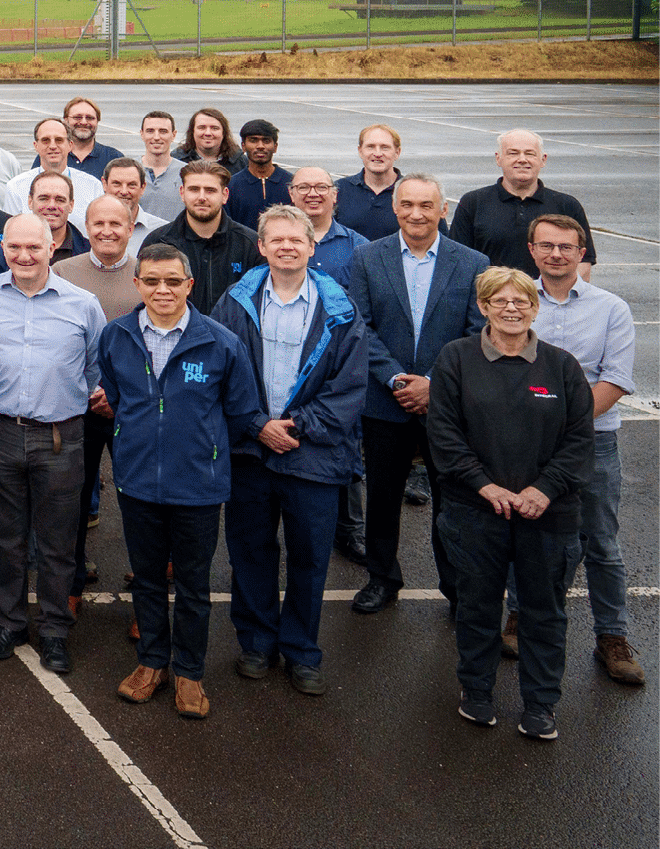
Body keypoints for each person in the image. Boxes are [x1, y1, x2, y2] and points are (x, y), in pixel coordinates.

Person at [98, 242, 262, 719]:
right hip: (137, 483)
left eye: (173, 281)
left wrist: (200, 449)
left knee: (192, 585)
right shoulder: (116, 337)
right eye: (152, 281)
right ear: (137, 284)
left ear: (189, 285)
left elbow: (240, 412)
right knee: (147, 579)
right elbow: (115, 396)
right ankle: (152, 662)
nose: (162, 290)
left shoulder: (220, 343)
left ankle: (189, 671)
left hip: (197, 487)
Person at [428, 267, 594, 740]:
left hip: (547, 514)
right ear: (483, 307)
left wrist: (544, 489)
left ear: (535, 308)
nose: (511, 309)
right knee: (477, 607)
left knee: (544, 613)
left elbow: (579, 440)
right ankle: (477, 692)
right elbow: (444, 435)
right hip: (475, 510)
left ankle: (540, 704)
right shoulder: (457, 358)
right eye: (499, 301)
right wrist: (486, 487)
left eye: (521, 301)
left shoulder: (561, 366)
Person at [212, 209, 367, 697]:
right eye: (276, 239)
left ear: (311, 247)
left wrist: (296, 426)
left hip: (312, 454)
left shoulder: (340, 308)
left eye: (295, 239)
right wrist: (257, 426)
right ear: (261, 247)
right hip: (249, 452)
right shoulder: (234, 302)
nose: (286, 246)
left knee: (309, 558)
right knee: (250, 552)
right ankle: (256, 643)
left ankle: (302, 650)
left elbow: (349, 386)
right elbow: (218, 371)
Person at [0, 214, 107, 674]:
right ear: (3, 249)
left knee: (58, 541)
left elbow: (93, 366)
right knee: (4, 537)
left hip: (61, 436)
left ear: (51, 248)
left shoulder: (83, 304)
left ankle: (54, 631)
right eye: (14, 248)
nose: (24, 256)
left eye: (33, 247)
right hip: (0, 432)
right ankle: (9, 622)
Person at [345, 174, 484, 615]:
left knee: (452, 500)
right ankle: (382, 578)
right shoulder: (367, 257)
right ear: (395, 208)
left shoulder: (473, 262)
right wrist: (396, 379)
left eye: (426, 205)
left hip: (447, 405)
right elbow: (359, 326)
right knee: (383, 498)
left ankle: (456, 587)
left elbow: (477, 332)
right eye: (407, 204)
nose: (416, 213)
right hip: (385, 401)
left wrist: (433, 383)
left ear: (443, 210)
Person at [521, 215, 642, 685]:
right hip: (526, 444)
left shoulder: (611, 308)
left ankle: (612, 636)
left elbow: (616, 379)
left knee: (601, 543)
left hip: (594, 442)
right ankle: (519, 618)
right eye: (547, 246)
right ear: (532, 250)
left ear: (582, 252)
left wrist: (565, 427)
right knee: (528, 538)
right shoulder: (515, 301)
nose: (556, 254)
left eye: (566, 247)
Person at [55, 195, 142, 598]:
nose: (107, 231)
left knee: (139, 502)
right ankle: (71, 586)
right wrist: (93, 390)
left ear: (131, 228)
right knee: (73, 501)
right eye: (98, 224)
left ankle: (146, 589)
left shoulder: (147, 274)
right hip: (78, 407)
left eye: (116, 223)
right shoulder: (62, 272)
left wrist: (118, 394)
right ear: (86, 228)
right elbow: (55, 342)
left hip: (134, 409)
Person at [450, 130, 598, 278]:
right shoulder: (473, 203)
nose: (522, 159)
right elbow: (457, 261)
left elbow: (583, 263)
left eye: (530, 154)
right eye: (513, 153)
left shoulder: (567, 206)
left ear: (543, 160)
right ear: (498, 158)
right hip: (490, 293)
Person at [144, 162, 260, 313]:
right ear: (182, 193)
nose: (202, 197)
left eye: (210, 190)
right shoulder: (158, 242)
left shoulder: (249, 244)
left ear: (225, 195)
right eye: (194, 189)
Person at [0, 170, 89, 275]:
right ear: (30, 202)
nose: (51, 206)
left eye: (60, 200)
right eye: (43, 199)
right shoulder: (4, 253)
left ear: (71, 205)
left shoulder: (88, 251)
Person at [0, 120, 101, 222]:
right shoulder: (16, 187)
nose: (52, 146)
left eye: (59, 140)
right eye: (45, 140)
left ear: (70, 145)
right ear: (36, 146)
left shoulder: (92, 186)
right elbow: (11, 228)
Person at [335, 124, 404, 242]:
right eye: (370, 147)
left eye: (385, 147)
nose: (377, 153)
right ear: (360, 151)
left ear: (397, 152)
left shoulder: (412, 191)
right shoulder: (339, 190)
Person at [223, 120, 292, 227]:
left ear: (275, 147)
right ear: (243, 146)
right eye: (253, 140)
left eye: (266, 141)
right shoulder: (231, 186)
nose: (260, 146)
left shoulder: (292, 184)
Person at [138, 111, 185, 220]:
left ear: (173, 135)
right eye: (150, 131)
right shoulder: (128, 170)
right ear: (142, 134)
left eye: (163, 131)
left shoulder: (187, 173)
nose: (156, 137)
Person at [185, 108, 243, 175]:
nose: (208, 133)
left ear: (224, 133)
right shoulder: (178, 159)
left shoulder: (240, 162)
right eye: (202, 128)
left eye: (215, 128)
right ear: (192, 132)